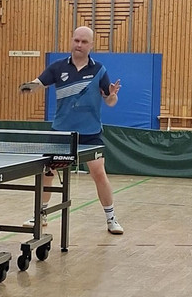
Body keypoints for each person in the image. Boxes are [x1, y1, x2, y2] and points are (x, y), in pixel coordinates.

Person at [21, 26, 123, 235]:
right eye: (76, 40)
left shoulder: (99, 70)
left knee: (99, 173)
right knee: (48, 172)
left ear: (91, 45)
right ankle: (40, 214)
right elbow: (39, 82)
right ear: (72, 41)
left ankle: (111, 218)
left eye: (84, 42)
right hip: (61, 132)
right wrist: (28, 86)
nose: (79, 45)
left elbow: (110, 101)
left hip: (90, 133)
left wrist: (112, 95)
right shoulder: (58, 67)